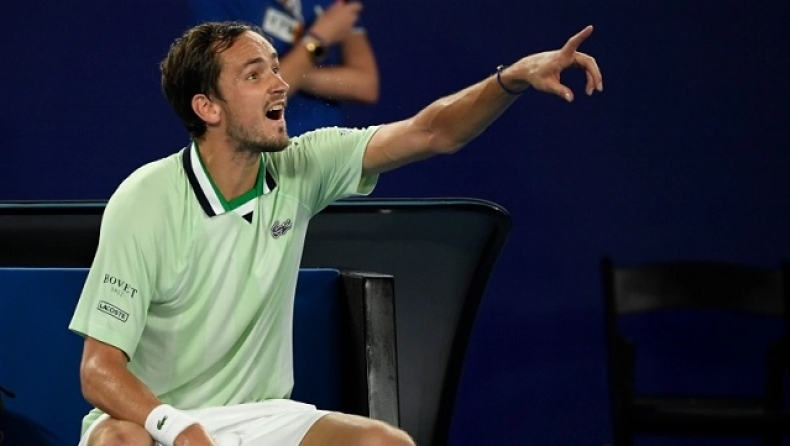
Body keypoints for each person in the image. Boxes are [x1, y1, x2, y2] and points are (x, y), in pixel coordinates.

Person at [68, 20, 602, 446]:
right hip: (155, 418)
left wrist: (512, 78)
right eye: (254, 75)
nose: (280, 83)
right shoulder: (146, 199)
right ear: (207, 107)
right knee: (119, 441)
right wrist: (178, 428)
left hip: (260, 416)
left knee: (386, 444)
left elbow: (431, 131)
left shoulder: (304, 166)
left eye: (275, 68)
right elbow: (98, 370)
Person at [188, 0, 379, 136]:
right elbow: (248, 100)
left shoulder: (332, 3)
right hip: (262, 154)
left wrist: (290, 71)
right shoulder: (216, 4)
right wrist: (317, 40)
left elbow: (366, 85)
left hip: (327, 155)